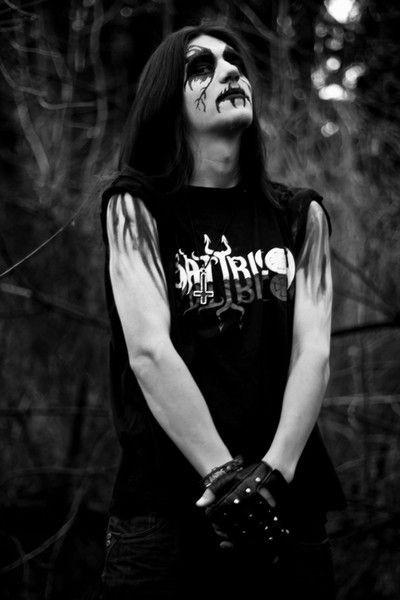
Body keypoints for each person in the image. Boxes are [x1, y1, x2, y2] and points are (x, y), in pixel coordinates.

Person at [99, 19, 346, 600]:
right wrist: (227, 479)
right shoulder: (136, 208)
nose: (230, 71)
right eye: (201, 67)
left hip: (286, 508)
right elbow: (149, 351)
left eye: (233, 61)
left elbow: (313, 353)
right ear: (166, 98)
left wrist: (270, 476)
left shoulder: (300, 216)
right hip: (165, 515)